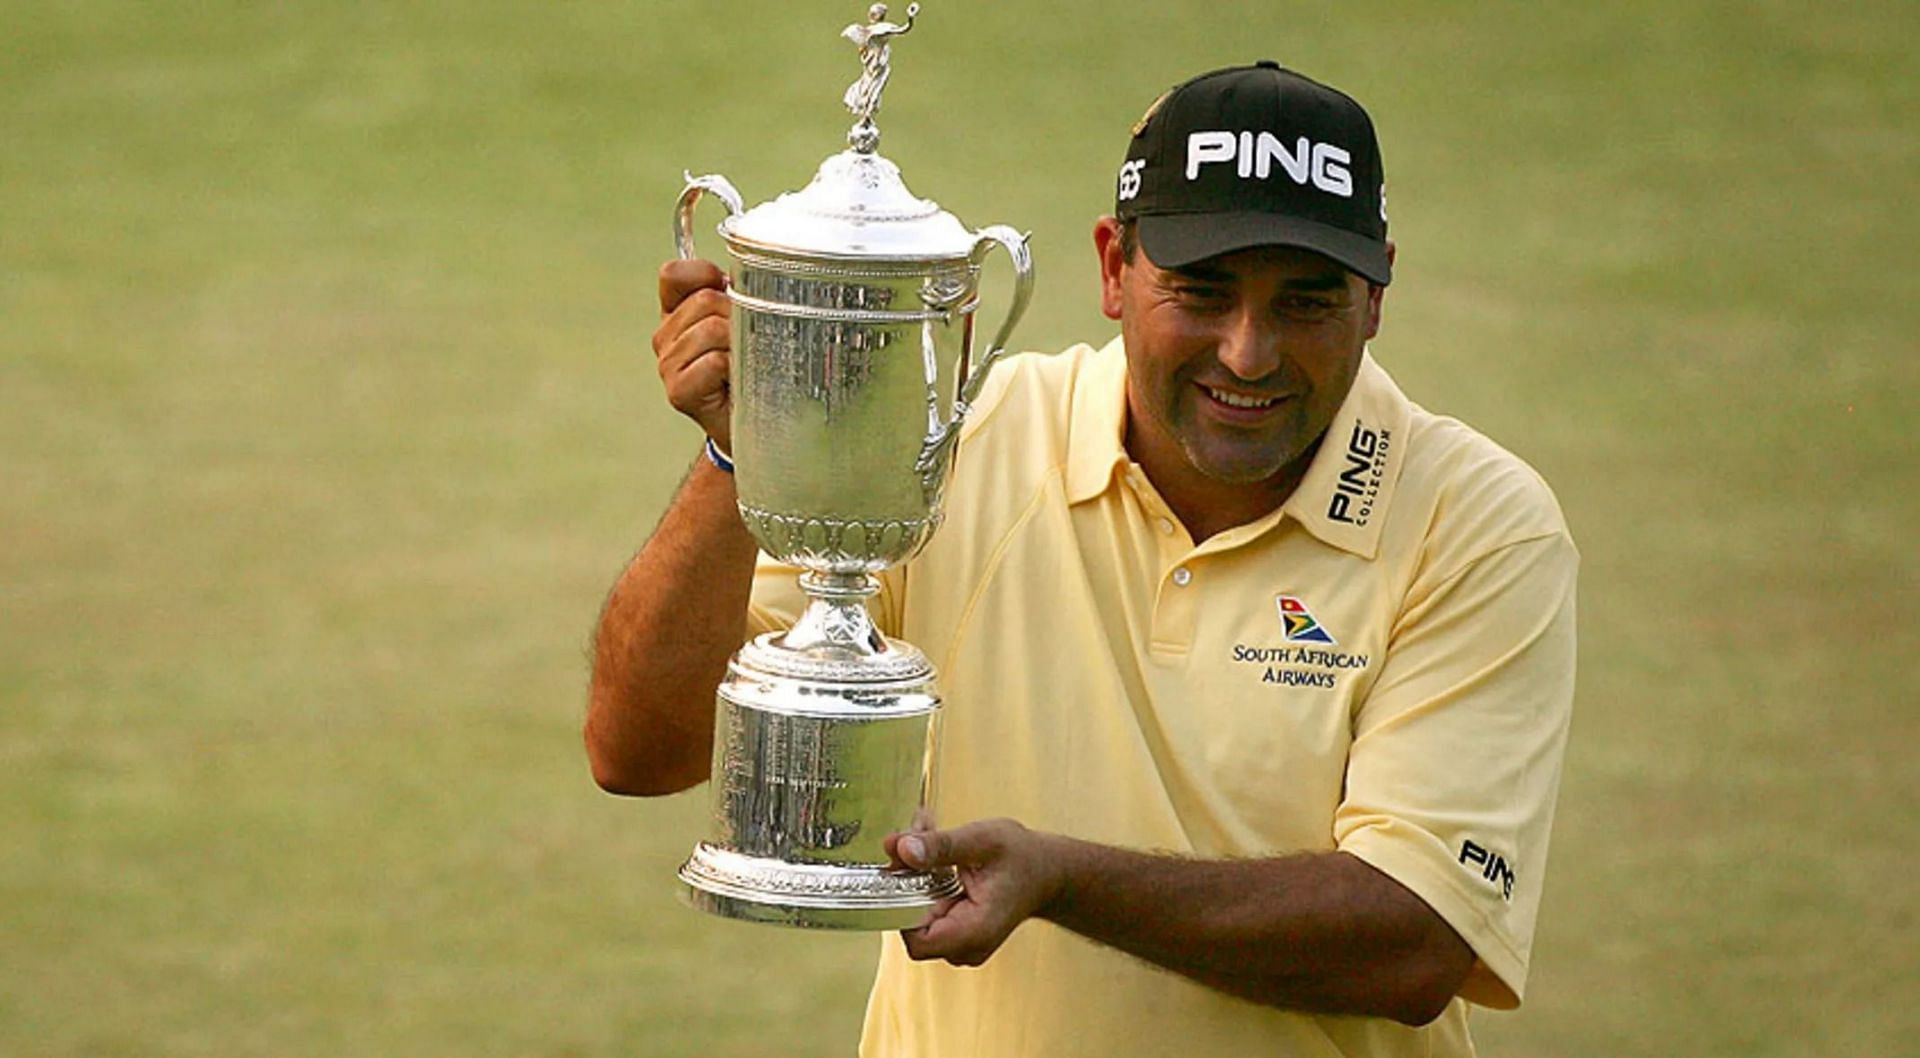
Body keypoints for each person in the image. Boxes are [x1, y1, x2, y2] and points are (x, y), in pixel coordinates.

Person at [588, 61, 1577, 1058]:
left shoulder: (1476, 521)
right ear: (1113, 268)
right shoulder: (963, 442)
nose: (1247, 352)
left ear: (1375, 298)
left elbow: (1414, 941)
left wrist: (1062, 879)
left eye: (1306, 303)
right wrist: (738, 449)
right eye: (1202, 291)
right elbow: (643, 750)